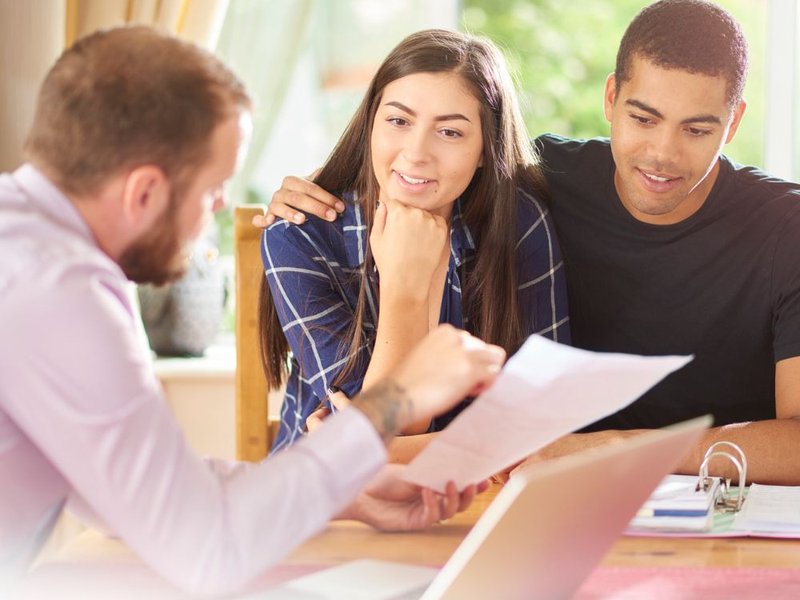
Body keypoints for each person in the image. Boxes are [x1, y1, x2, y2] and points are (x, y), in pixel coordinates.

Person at [0, 26, 507, 596]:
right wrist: (397, 399)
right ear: (143, 191)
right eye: (212, 189)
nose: (221, 207)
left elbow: (137, 497)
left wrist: (343, 494)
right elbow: (204, 548)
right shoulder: (59, 290)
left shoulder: (27, 249)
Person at [260, 1, 800, 485]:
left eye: (697, 130)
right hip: (382, 502)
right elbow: (370, 449)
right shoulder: (541, 189)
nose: (662, 153)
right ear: (611, 98)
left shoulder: (785, 227)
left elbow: (497, 435)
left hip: (677, 498)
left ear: (733, 123)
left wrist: (617, 448)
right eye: (643, 118)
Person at [260, 29, 569, 458]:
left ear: (485, 148)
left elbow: (543, 414)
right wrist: (405, 285)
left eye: (450, 132)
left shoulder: (519, 224)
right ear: (371, 124)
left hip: (478, 487)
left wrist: (371, 434)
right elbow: (377, 442)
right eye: (399, 121)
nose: (417, 152)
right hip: (327, 490)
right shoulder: (300, 234)